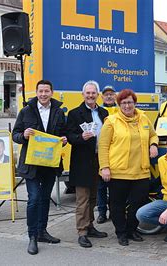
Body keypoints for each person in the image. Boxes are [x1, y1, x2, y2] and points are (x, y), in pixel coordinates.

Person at [12, 80, 68, 255]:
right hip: (31, 165)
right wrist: (23, 135)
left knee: (45, 199)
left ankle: (42, 232)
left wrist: (64, 141)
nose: (43, 94)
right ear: (36, 93)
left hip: (50, 164)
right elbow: (15, 134)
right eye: (40, 91)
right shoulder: (26, 111)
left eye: (47, 91)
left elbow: (63, 135)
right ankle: (32, 236)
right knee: (34, 198)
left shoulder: (59, 112)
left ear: (52, 92)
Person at [99, 89, 159, 246]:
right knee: (117, 204)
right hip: (119, 171)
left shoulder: (143, 118)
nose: (127, 105)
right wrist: (104, 167)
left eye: (130, 102)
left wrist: (153, 144)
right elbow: (103, 146)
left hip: (141, 170)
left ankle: (132, 229)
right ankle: (121, 232)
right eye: (124, 103)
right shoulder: (111, 121)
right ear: (119, 105)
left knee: (138, 202)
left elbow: (153, 134)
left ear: (135, 103)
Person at [66, 80, 108, 248]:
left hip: (99, 159)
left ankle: (90, 226)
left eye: (93, 93)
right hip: (82, 161)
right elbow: (69, 136)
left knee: (93, 197)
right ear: (83, 94)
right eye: (88, 93)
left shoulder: (104, 112)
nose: (91, 95)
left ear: (98, 95)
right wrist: (80, 138)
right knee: (82, 199)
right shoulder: (75, 113)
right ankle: (82, 232)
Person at [96, 84, 117, 223]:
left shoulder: (121, 110)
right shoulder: (98, 111)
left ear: (115, 96)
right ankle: (102, 212)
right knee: (101, 186)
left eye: (111, 94)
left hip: (117, 153)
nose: (109, 96)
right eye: (106, 94)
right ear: (102, 96)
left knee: (115, 187)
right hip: (101, 152)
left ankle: (114, 212)